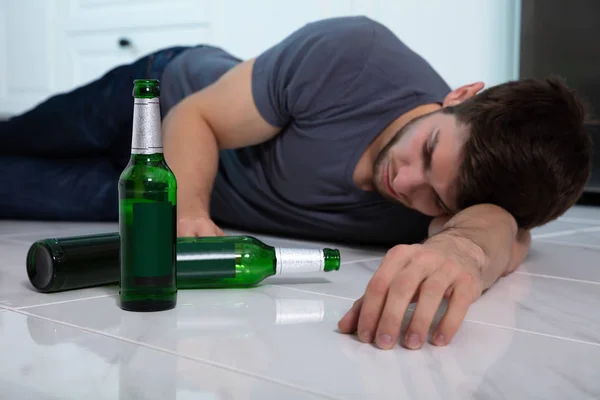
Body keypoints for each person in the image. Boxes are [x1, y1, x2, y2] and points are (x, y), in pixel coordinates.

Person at [1, 16, 592, 350]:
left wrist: (463, 246)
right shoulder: (354, 56)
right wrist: (189, 216)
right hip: (165, 97)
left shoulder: (468, 207)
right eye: (428, 149)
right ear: (461, 97)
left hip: (154, 192)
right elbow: (195, 119)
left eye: (435, 199)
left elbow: (506, 236)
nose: (404, 181)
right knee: (17, 136)